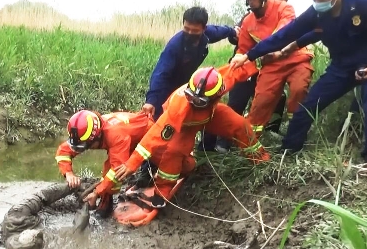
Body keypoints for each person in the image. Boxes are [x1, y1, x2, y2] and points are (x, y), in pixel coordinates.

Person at [230, 0, 367, 161]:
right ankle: (289, 150)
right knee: (308, 105)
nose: (317, 2)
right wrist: (248, 55)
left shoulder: (363, 3)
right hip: (342, 67)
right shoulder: (316, 12)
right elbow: (286, 35)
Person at [113, 66, 270, 215]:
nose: (193, 102)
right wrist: (132, 163)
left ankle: (260, 160)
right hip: (185, 124)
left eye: (199, 101)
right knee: (174, 151)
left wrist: (258, 59)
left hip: (210, 115)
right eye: (190, 97)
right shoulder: (178, 110)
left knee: (240, 126)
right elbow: (155, 136)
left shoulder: (219, 82)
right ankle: (162, 189)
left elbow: (236, 70)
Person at [201, 0, 295, 153]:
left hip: (271, 68)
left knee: (276, 99)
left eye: (279, 1)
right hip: (247, 65)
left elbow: (285, 38)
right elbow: (240, 43)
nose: (251, 2)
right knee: (236, 101)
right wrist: (235, 40)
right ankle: (224, 143)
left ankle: (268, 134)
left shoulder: (286, 15)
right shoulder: (250, 17)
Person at [233, 0, 315, 141]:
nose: (249, 1)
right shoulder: (248, 22)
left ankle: (296, 136)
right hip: (271, 64)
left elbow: (282, 33)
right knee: (261, 102)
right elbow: (243, 48)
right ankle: (249, 142)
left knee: (299, 89)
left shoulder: (284, 8)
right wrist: (237, 58)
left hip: (296, 58)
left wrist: (270, 51)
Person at [141, 6, 240, 121]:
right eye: (186, 29)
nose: (189, 33)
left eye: (194, 31)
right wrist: (151, 100)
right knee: (159, 119)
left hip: (186, 86)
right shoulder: (175, 46)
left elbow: (219, 31)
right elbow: (160, 73)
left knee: (184, 117)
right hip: (167, 86)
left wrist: (233, 31)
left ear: (203, 29)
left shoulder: (207, 34)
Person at [55, 110, 153, 216]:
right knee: (109, 171)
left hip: (149, 135)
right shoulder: (86, 134)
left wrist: (96, 193)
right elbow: (63, 151)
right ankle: (106, 200)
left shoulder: (115, 135)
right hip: (129, 136)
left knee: (115, 171)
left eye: (87, 146)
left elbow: (117, 171)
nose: (86, 149)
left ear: (97, 137)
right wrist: (68, 173)